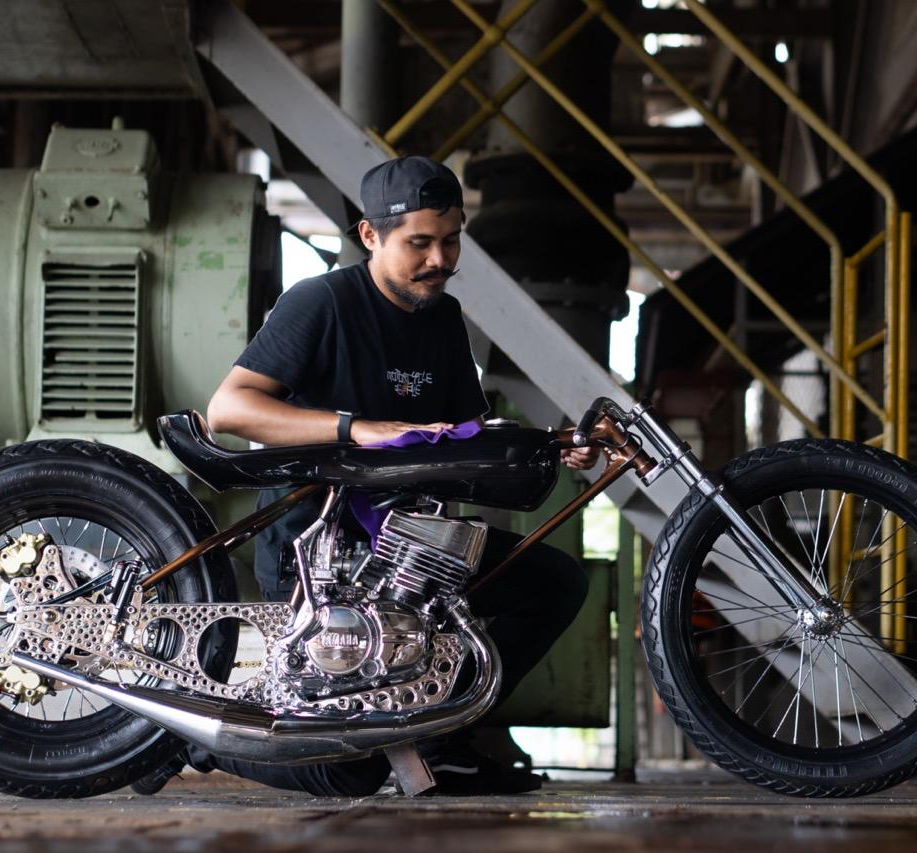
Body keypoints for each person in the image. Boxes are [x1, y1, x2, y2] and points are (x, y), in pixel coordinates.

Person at [134, 155, 597, 797]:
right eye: (420, 243)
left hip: (410, 547)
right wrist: (357, 428)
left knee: (552, 581)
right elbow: (230, 409)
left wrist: (557, 445)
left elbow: (467, 434)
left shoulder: (442, 318)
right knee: (347, 770)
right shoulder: (321, 302)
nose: (440, 259)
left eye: (452, 240)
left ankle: (442, 745)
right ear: (371, 235)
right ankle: (181, 741)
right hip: (316, 549)